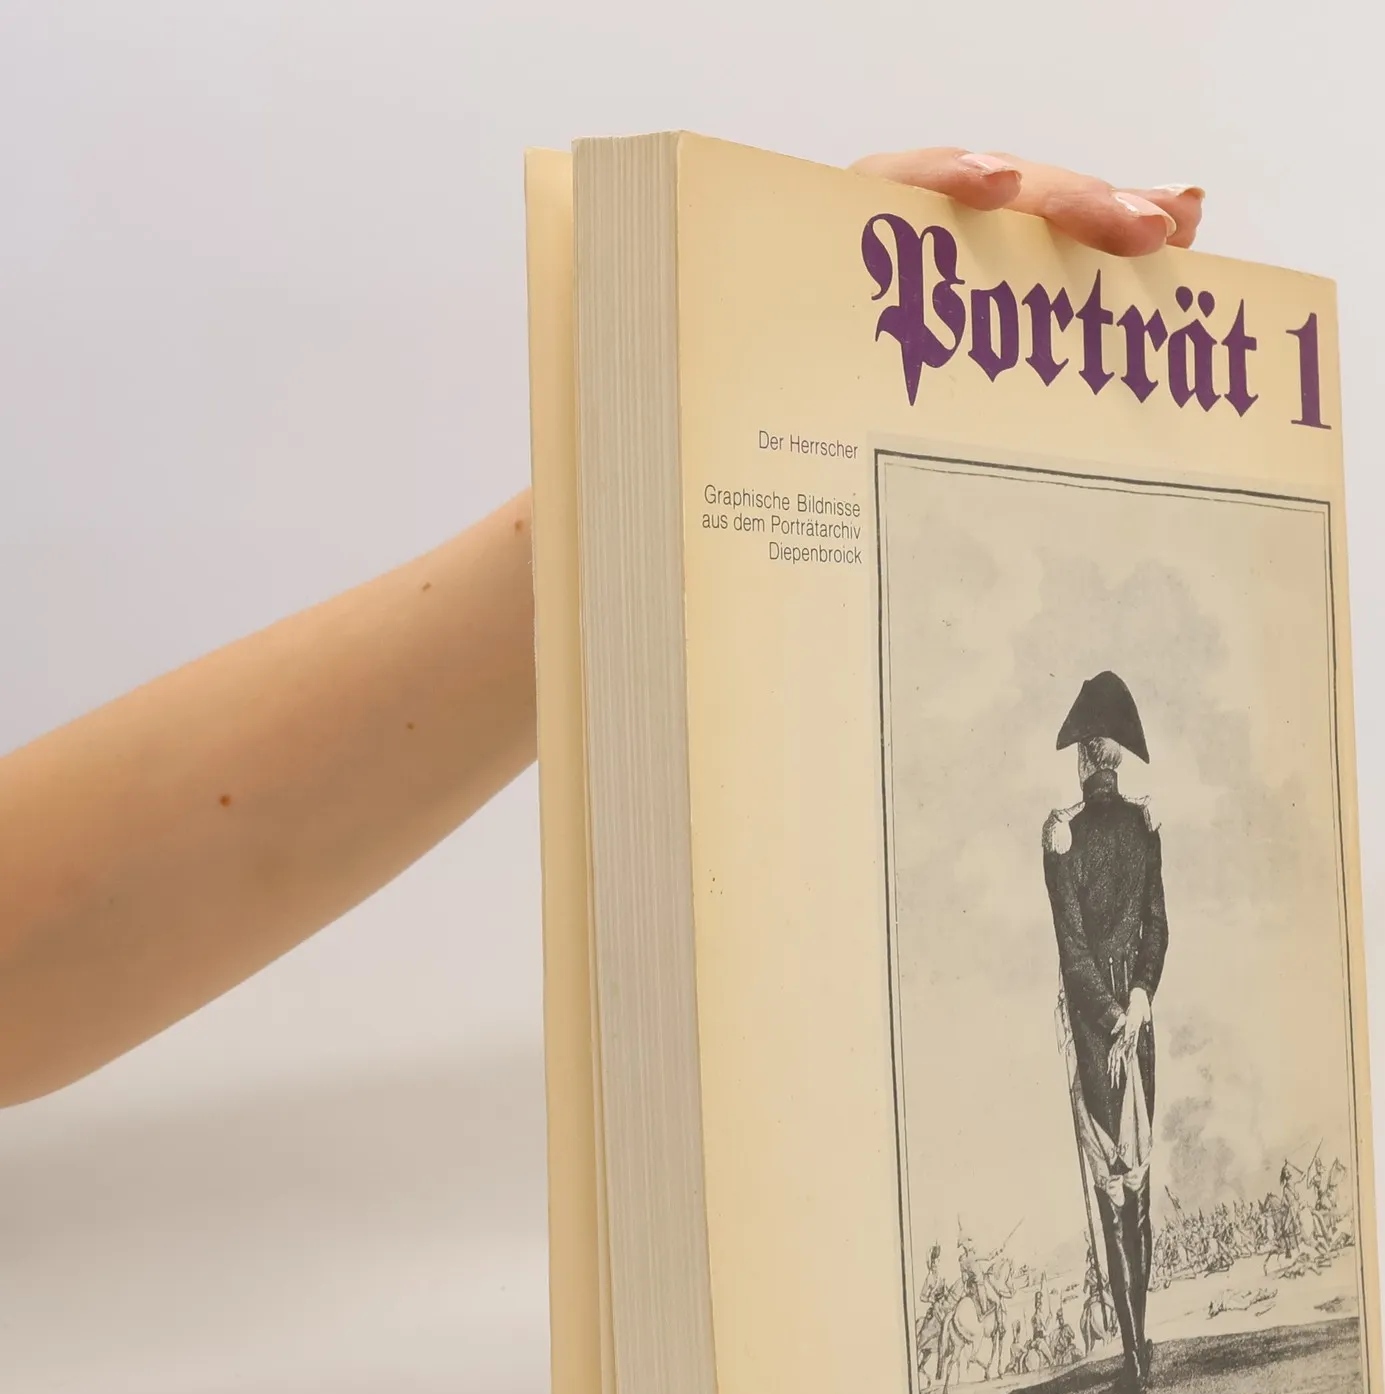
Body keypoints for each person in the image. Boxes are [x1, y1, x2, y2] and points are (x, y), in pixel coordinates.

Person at [0, 150, 1204, 1110]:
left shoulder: (1138, 831)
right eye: (1090, 749)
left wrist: (649, 484)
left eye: (1110, 750)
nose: (1099, 762)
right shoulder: (1060, 836)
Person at [1044, 671, 1169, 1394]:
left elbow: (1073, 957)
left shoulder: (1061, 841)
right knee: (1140, 1195)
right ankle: (1140, 1349)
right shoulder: (1146, 829)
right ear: (1115, 758)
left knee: (1113, 1200)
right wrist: (1142, 998)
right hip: (1140, 1034)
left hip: (1100, 1043)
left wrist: (1114, 1017)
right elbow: (1157, 929)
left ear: (1083, 759)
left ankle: (1133, 1361)